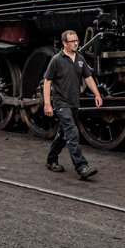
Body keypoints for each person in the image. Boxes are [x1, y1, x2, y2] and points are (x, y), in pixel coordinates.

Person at [43, 29, 103, 180]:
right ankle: (81, 167)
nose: (76, 43)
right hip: (61, 103)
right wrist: (47, 104)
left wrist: (97, 94)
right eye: (73, 41)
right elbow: (47, 82)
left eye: (77, 40)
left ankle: (51, 160)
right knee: (72, 132)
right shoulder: (56, 60)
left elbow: (88, 78)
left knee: (64, 134)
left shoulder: (80, 59)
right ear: (65, 43)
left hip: (74, 102)